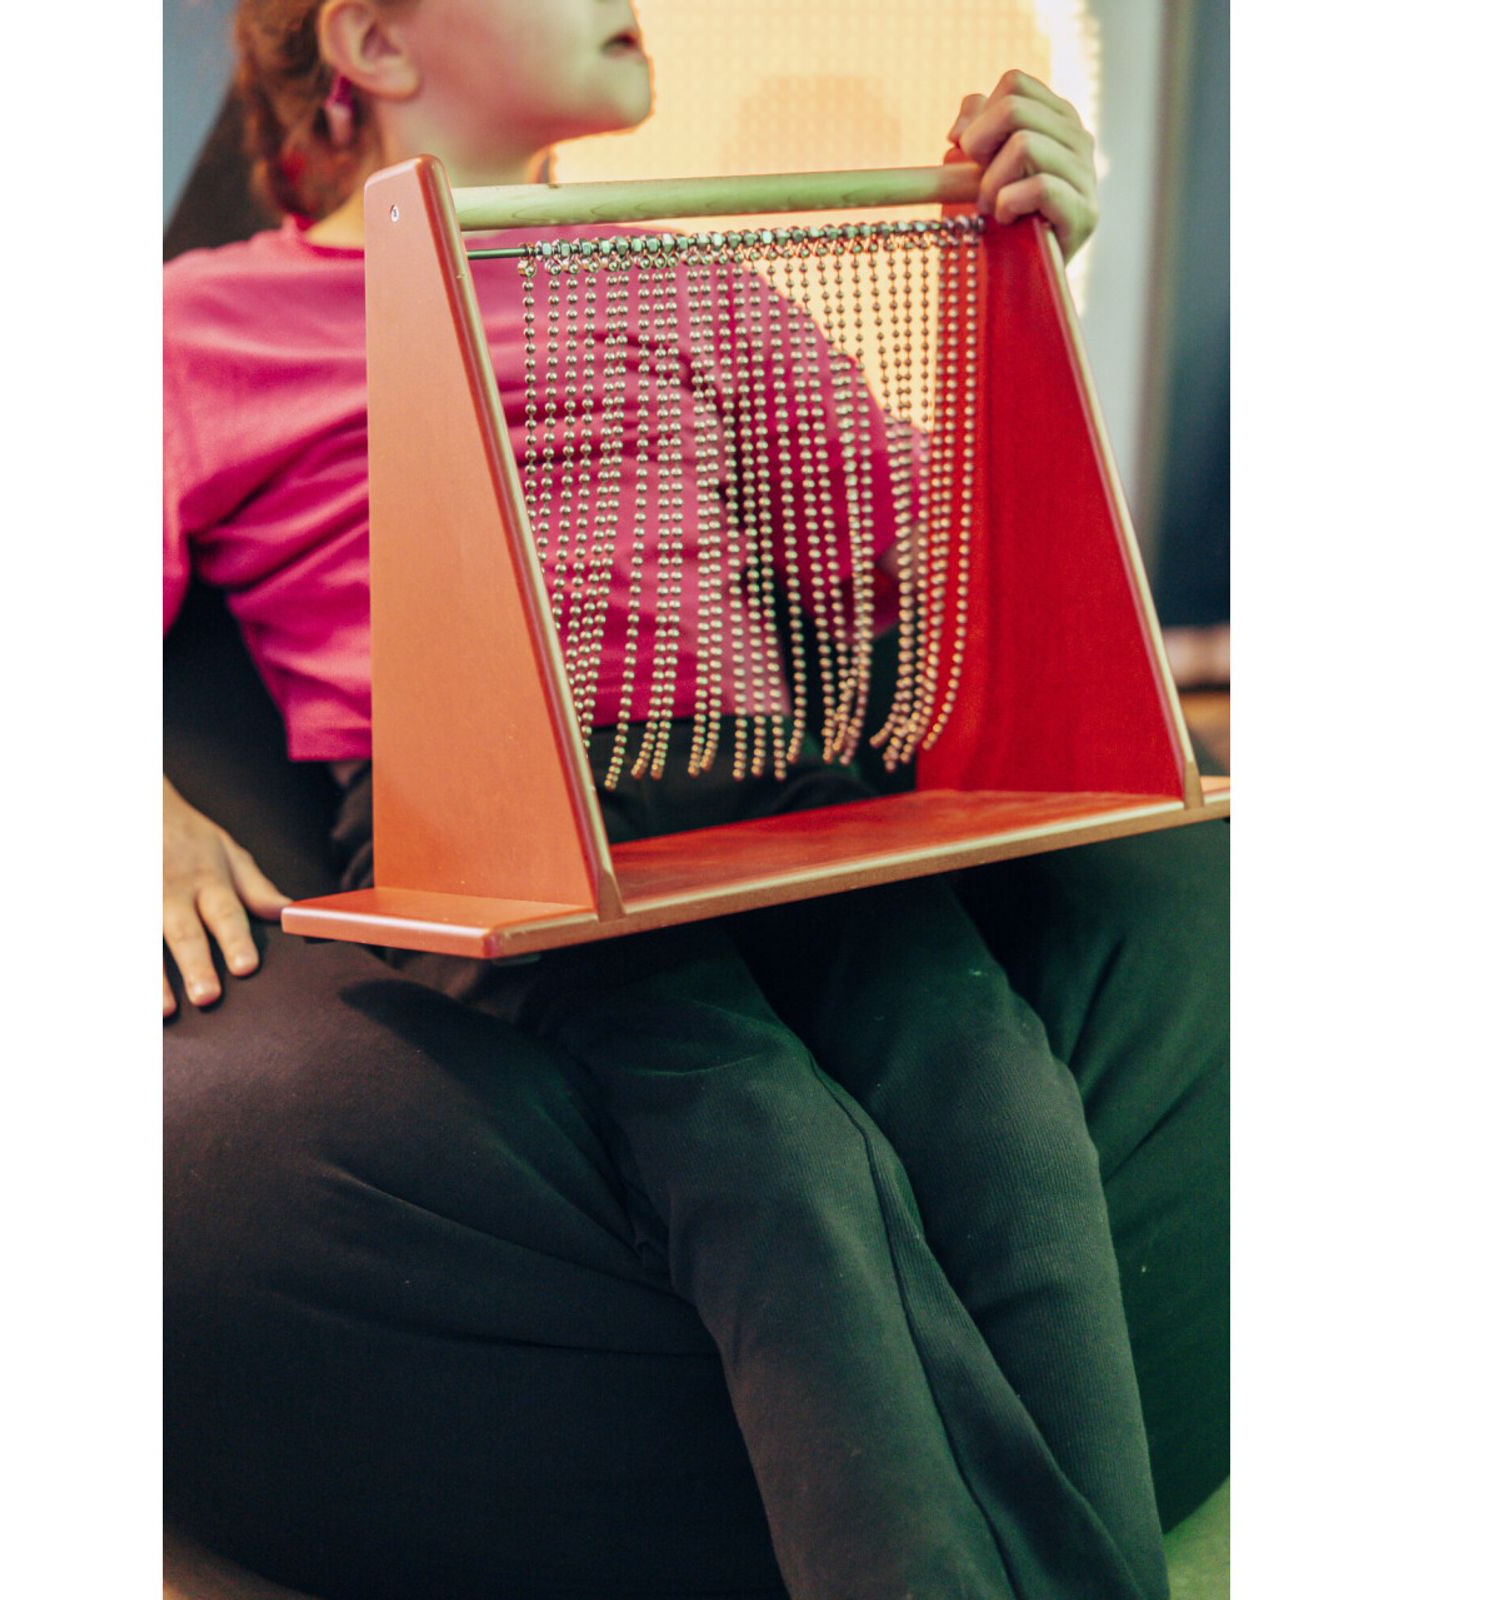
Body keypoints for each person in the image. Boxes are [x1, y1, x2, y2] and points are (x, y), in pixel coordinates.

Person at [165, 4, 1227, 1597]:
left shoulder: (681, 275)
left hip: (781, 781)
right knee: (770, 1147)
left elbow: (931, 558)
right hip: (496, 816)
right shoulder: (208, 325)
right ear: (377, 44)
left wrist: (1022, 289)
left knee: (995, 1096)